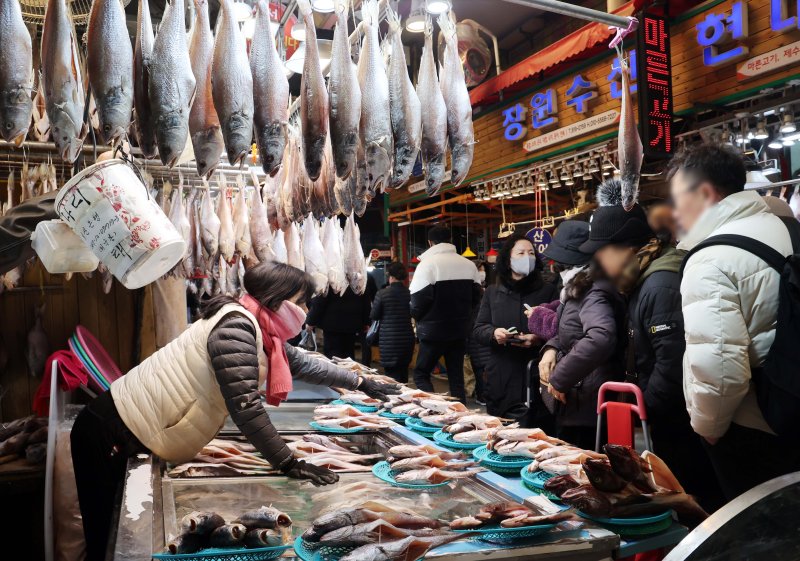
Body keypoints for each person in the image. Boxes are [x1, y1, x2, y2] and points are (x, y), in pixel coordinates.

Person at [70, 263, 399, 560]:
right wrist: (288, 462)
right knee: (106, 534)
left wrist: (360, 382)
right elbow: (246, 407)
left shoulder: (257, 328)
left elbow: (303, 363)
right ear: (276, 299)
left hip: (128, 429)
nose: (305, 310)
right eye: (300, 301)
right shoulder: (236, 329)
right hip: (111, 430)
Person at [583, 178, 723, 512]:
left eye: (602, 252)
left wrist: (646, 408)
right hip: (667, 416)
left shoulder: (659, 285)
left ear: (625, 248)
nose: (598, 262)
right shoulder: (641, 279)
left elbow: (672, 363)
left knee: (691, 496)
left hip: (677, 421)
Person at [670, 143, 800, 500]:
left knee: (759, 526)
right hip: (792, 407)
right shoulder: (784, 228)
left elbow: (720, 366)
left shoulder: (710, 259)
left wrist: (709, 428)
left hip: (757, 427)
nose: (674, 211)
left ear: (705, 193)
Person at [531, 221, 625, 450]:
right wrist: (552, 348)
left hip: (588, 402)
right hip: (581, 397)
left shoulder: (593, 290)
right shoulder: (579, 287)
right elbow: (571, 331)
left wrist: (560, 378)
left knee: (583, 462)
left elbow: (600, 336)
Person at [473, 234, 559, 424]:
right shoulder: (493, 292)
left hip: (537, 373)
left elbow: (560, 330)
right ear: (508, 259)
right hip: (501, 375)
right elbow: (479, 329)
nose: (527, 257)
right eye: (520, 253)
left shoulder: (548, 291)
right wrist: (494, 333)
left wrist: (537, 338)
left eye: (531, 253)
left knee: (539, 431)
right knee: (501, 431)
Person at [410, 226, 482, 403]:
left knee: (421, 373)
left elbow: (417, 303)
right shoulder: (468, 264)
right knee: (456, 377)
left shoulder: (427, 264)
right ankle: (460, 414)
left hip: (433, 333)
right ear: (450, 240)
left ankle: (433, 409)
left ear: (430, 242)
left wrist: (419, 319)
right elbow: (477, 298)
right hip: (459, 331)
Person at [370, 261, 415, 382]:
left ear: (391, 277)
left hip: (389, 341)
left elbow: (374, 315)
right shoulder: (409, 293)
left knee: (391, 378)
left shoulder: (382, 294)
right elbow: (414, 312)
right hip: (407, 339)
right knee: (403, 373)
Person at [306, 286, 371, 360]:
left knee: (333, 355)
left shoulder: (329, 279)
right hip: (352, 323)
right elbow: (366, 300)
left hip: (332, 324)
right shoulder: (359, 278)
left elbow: (319, 300)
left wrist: (310, 321)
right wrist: (366, 321)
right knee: (349, 354)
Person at [468, 260, 491, 404]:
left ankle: (483, 394)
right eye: (479, 270)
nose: (482, 273)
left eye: (483, 270)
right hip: (475, 333)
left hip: (485, 331)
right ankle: (482, 395)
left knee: (484, 365)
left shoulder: (488, 289)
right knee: (479, 366)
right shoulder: (473, 291)